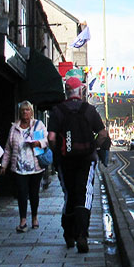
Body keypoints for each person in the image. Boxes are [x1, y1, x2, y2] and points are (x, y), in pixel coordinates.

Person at [48, 77, 106, 253]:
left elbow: (51, 138)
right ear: (80, 91)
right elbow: (103, 134)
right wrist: (93, 147)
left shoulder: (57, 110)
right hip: (86, 160)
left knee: (70, 195)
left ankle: (68, 234)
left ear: (66, 91)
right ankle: (82, 234)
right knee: (85, 194)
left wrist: (58, 152)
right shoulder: (89, 110)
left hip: (65, 161)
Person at [1, 101, 48, 233]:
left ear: (31, 112)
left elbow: (47, 139)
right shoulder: (14, 128)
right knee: (22, 194)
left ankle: (34, 217)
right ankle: (22, 221)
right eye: (23, 110)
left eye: (27, 110)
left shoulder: (38, 125)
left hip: (35, 167)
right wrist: (4, 165)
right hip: (19, 167)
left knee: (34, 194)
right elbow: (8, 148)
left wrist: (38, 143)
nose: (25, 113)